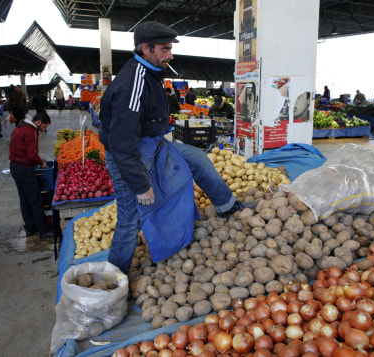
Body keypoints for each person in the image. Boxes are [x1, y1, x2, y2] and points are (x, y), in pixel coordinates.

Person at [94, 21, 255, 274]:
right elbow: (122, 142)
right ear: (146, 49)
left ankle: (227, 206)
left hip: (154, 145)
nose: (170, 54)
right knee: (130, 219)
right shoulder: (132, 84)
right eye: (164, 49)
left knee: (197, 158)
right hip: (129, 155)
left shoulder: (151, 72)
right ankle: (113, 280)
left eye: (170, 49)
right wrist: (140, 184)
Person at [9, 112, 53, 239]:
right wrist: (41, 162)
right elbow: (31, 154)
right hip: (24, 168)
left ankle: (29, 228)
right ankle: (43, 230)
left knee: (24, 199)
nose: (43, 130)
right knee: (35, 199)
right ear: (38, 122)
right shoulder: (31, 131)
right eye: (44, 127)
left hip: (15, 166)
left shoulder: (19, 128)